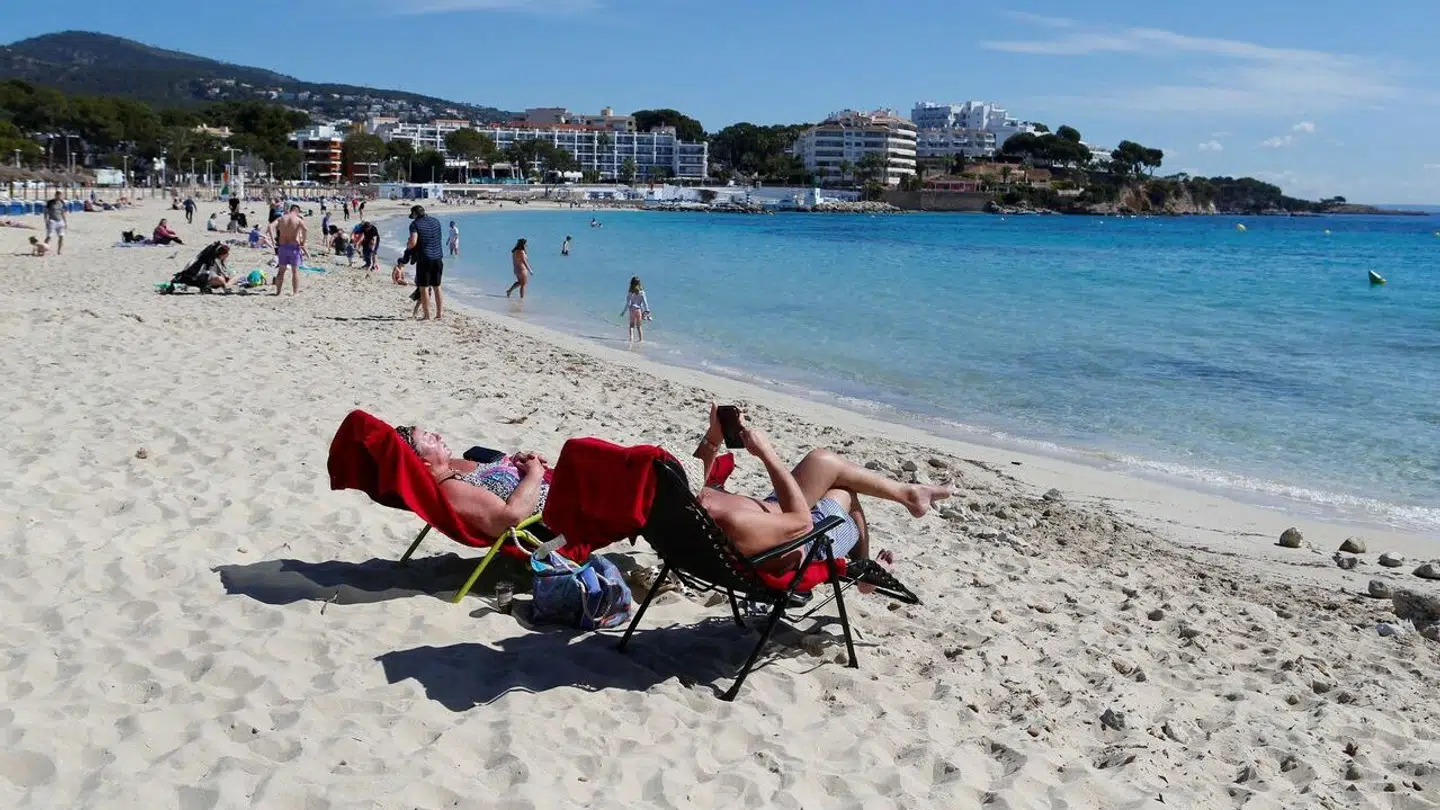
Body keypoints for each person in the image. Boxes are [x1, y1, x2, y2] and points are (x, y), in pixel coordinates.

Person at [692, 405, 952, 573]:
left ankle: (909, 494)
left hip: (772, 515)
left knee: (821, 459)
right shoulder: (732, 522)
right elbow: (801, 524)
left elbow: (691, 479)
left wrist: (714, 436)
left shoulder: (686, 503)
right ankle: (864, 570)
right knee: (845, 492)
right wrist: (767, 454)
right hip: (803, 543)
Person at [395, 425, 552, 538]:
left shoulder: (451, 466)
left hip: (553, 487)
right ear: (423, 463)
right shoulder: (451, 489)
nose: (437, 436)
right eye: (428, 438)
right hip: (559, 516)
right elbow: (511, 517)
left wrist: (516, 462)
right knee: (573, 449)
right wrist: (535, 472)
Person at [407, 204, 446, 320]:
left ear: (415, 214)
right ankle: (439, 314)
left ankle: (427, 315)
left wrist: (408, 246)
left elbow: (413, 242)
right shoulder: (435, 221)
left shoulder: (414, 224)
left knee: (423, 288)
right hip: (438, 257)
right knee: (437, 287)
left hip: (424, 259)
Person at [269, 204, 307, 296]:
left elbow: (270, 226)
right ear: (297, 211)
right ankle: (295, 292)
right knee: (295, 271)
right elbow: (305, 230)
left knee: (281, 271)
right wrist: (303, 241)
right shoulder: (298, 220)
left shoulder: (282, 218)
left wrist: (273, 240)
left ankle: (278, 292)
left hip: (282, 246)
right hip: (294, 247)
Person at [621, 276, 652, 342]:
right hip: (638, 310)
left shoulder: (630, 293)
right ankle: (641, 340)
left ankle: (631, 338)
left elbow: (628, 304)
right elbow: (645, 303)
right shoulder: (642, 293)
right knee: (639, 326)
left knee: (631, 325)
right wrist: (647, 311)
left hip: (632, 310)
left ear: (631, 283)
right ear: (639, 283)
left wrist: (623, 312)